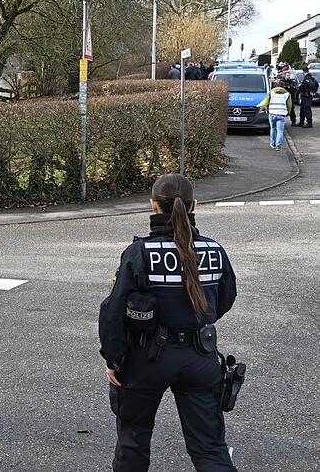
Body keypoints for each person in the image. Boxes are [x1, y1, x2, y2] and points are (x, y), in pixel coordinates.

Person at [99, 174, 237, 471]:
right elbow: (225, 299)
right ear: (194, 205)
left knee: (133, 442)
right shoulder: (215, 250)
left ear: (153, 206)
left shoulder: (139, 253)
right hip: (201, 356)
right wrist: (195, 321)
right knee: (210, 448)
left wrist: (114, 360)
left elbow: (113, 311)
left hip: (147, 359)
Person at [258, 84, 293, 151]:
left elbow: (266, 103)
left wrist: (267, 111)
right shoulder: (287, 94)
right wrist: (288, 113)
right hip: (282, 114)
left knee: (273, 128)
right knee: (280, 130)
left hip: (272, 113)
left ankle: (272, 143)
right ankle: (278, 146)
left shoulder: (271, 92)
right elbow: (289, 105)